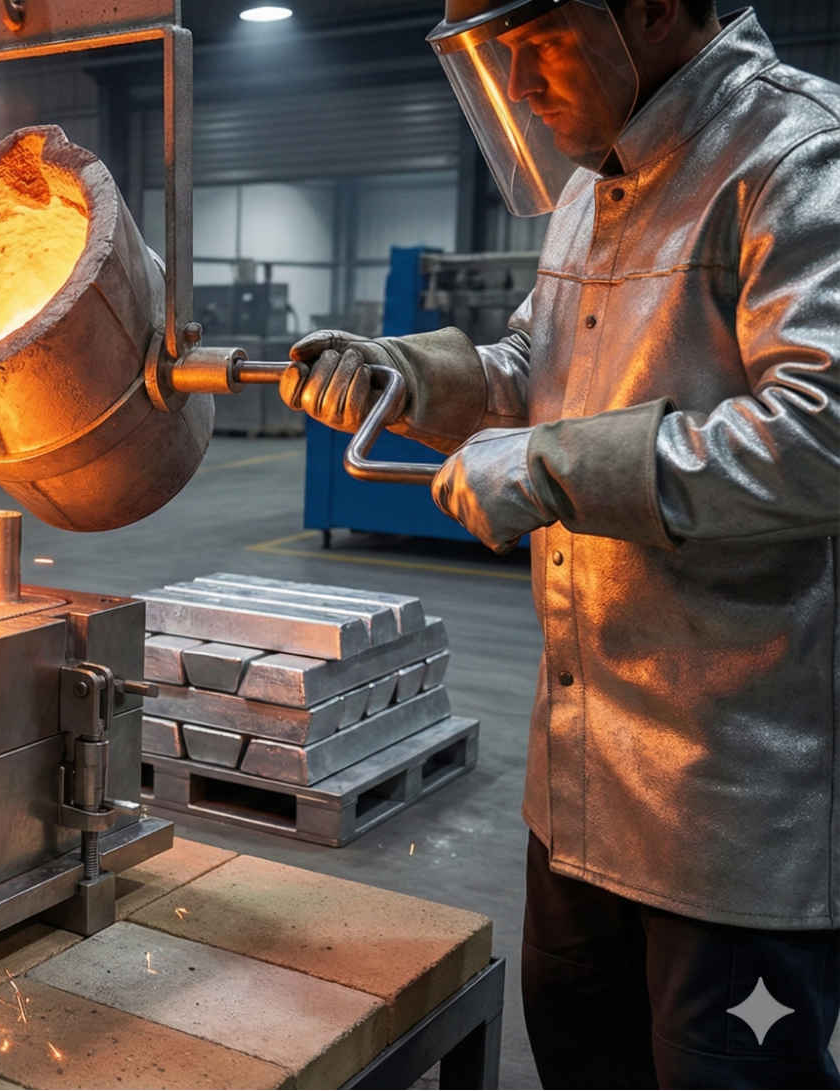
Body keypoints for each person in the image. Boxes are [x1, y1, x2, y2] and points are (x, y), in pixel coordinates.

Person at [279, 1, 840, 1085]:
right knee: (584, 1058)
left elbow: (823, 431)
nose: (519, 82)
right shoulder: (592, 187)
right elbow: (539, 365)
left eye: (534, 38)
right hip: (580, 781)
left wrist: (549, 465)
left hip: (732, 806)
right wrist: (409, 376)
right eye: (496, 53)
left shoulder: (795, 156)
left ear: (653, 8)